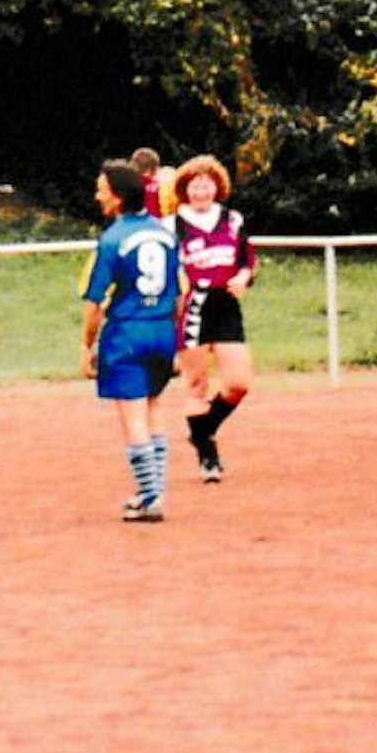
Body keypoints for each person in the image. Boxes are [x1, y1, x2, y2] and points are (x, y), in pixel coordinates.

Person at [80, 159, 181, 522]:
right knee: (153, 408)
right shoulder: (165, 234)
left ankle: (151, 497)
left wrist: (86, 345)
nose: (97, 195)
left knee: (133, 416)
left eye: (102, 189)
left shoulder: (112, 239)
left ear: (119, 197)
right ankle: (153, 492)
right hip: (161, 330)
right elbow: (179, 292)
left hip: (127, 333)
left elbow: (95, 301)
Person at [172, 155, 255, 483]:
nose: (201, 188)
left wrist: (244, 277)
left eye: (207, 182)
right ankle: (208, 456)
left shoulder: (232, 220)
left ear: (217, 186)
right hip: (192, 306)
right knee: (196, 385)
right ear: (185, 188)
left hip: (225, 305)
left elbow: (247, 258)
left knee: (238, 383)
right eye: (195, 182)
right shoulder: (173, 224)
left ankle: (203, 431)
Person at [131, 146, 177, 219]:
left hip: (135, 226)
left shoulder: (129, 186)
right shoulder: (166, 184)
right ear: (155, 168)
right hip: (161, 225)